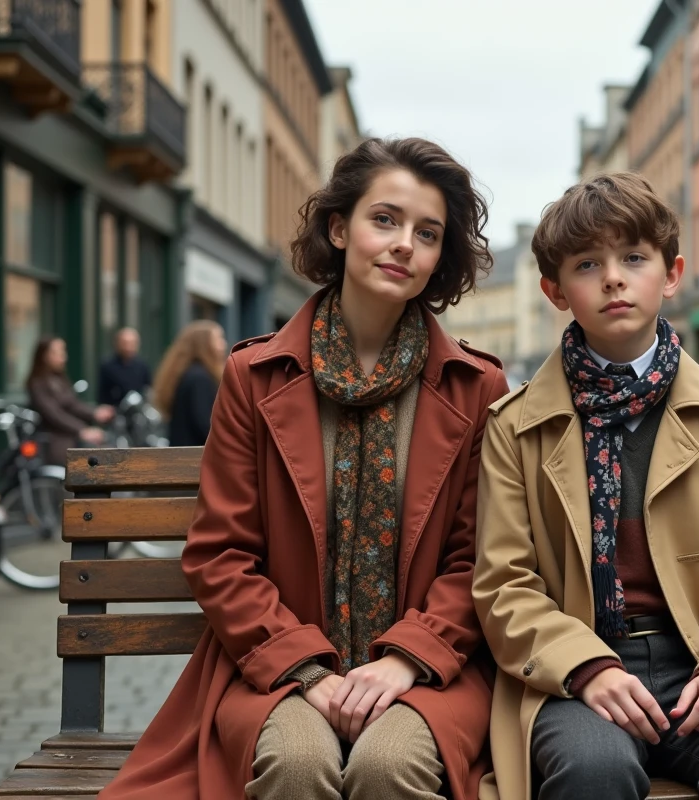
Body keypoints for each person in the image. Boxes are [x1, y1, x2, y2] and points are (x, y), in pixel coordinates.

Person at [98, 137, 508, 800]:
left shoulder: (475, 386)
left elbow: (480, 560)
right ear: (340, 228)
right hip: (276, 666)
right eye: (386, 220)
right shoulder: (253, 379)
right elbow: (221, 555)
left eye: (427, 233)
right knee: (296, 763)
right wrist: (309, 670)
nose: (405, 243)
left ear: (439, 259)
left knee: (388, 765)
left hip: (428, 672)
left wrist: (407, 658)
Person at [473, 172, 699, 800]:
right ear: (555, 291)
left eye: (634, 258)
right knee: (593, 770)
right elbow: (505, 584)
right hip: (579, 667)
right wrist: (585, 667)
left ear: (670, 275)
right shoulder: (516, 427)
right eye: (587, 264)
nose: (613, 277)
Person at [25, 337, 114, 466]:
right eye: (57, 353)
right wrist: (81, 430)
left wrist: (95, 412)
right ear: (44, 356)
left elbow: (72, 404)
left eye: (63, 352)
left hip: (71, 435)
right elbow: (53, 414)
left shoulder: (60, 379)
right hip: (55, 438)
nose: (63, 357)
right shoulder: (37, 383)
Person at [152, 321, 227, 447]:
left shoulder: (185, 373)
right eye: (218, 339)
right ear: (204, 344)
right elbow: (204, 424)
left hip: (181, 451)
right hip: (194, 456)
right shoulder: (200, 378)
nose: (223, 344)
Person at [98, 327, 153, 407]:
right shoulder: (107, 366)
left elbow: (149, 389)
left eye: (132, 343)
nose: (128, 347)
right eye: (125, 343)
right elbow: (102, 394)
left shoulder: (142, 366)